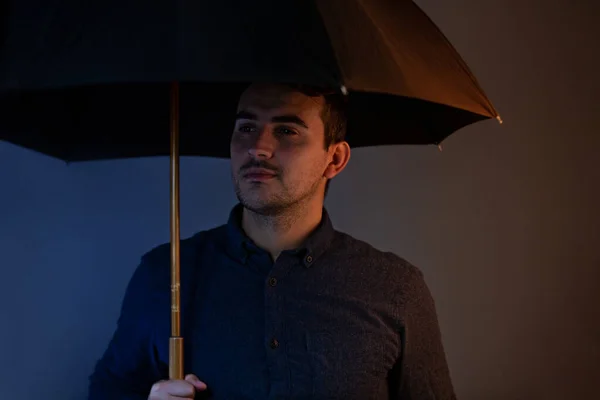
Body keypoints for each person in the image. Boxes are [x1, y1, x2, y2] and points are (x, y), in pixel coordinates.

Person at [88, 83, 457, 399]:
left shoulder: (395, 287)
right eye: (246, 127)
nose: (258, 148)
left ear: (335, 158)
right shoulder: (165, 274)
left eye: (286, 131)